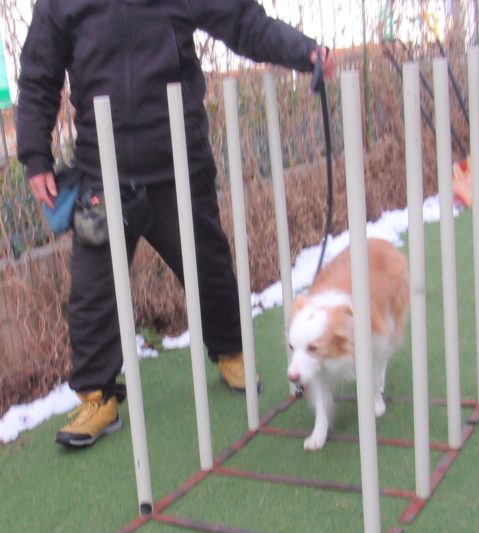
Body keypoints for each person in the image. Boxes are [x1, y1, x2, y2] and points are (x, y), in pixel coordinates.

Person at [16, 0, 335, 448]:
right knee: (91, 292)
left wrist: (305, 52)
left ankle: (231, 352)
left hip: (178, 162)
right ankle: (97, 397)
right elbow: (39, 73)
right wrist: (35, 156)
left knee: (208, 266)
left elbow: (243, 22)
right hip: (102, 171)